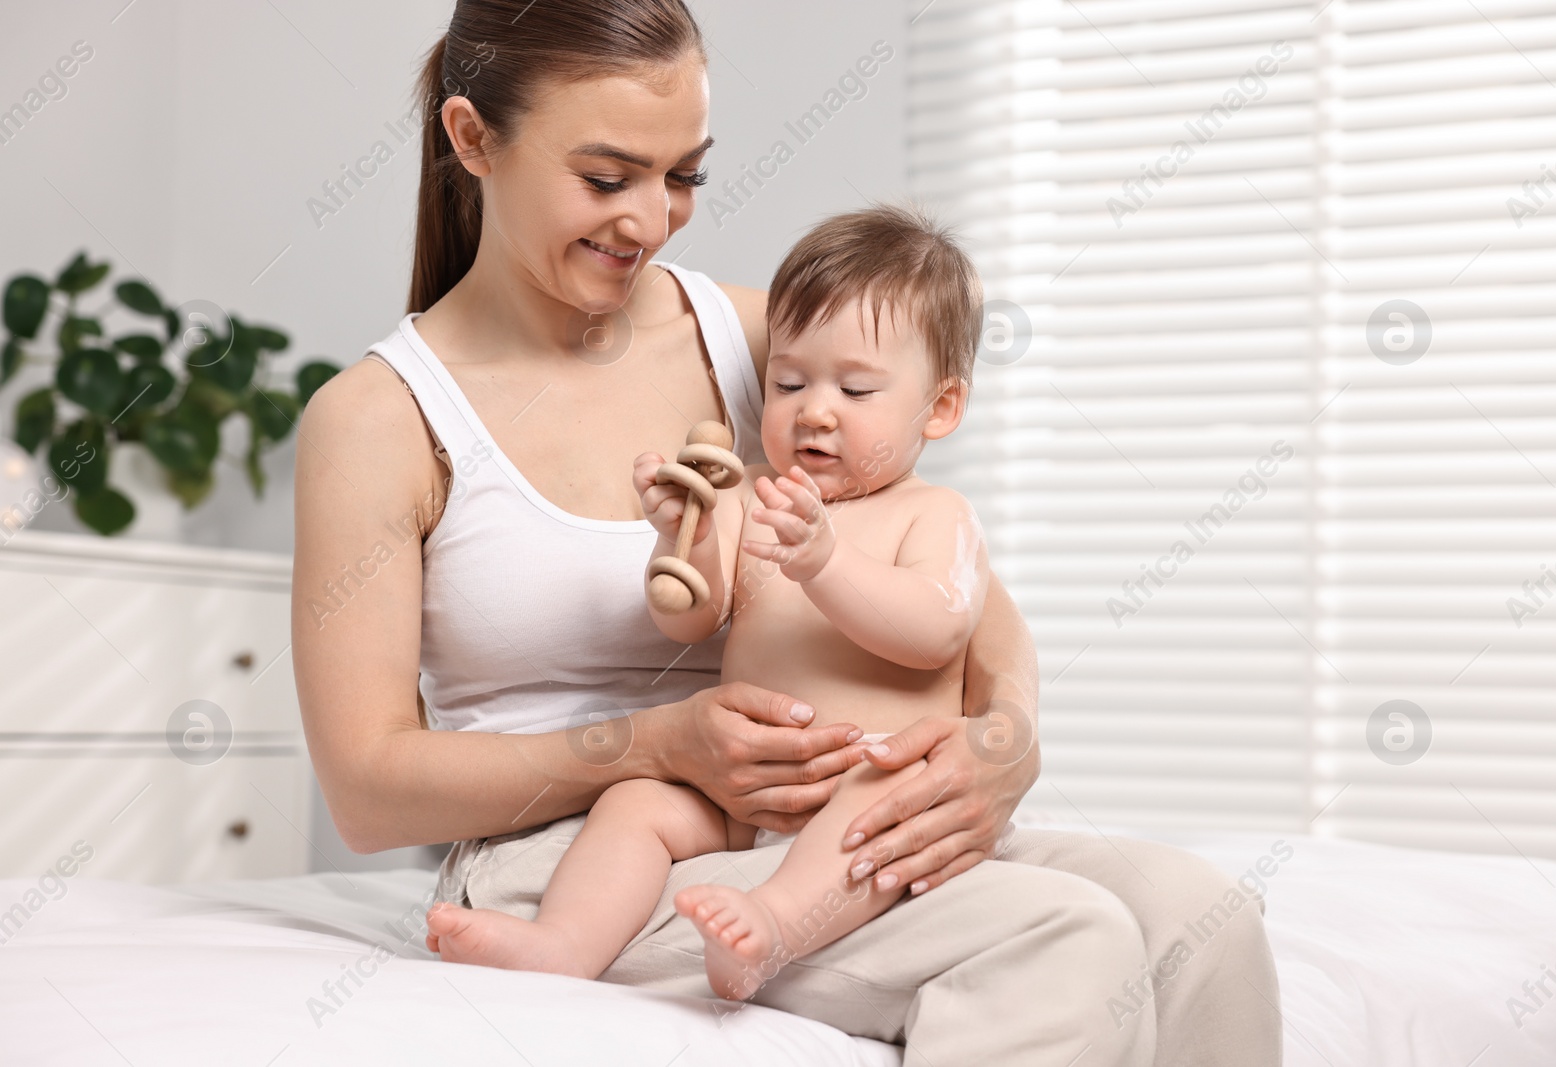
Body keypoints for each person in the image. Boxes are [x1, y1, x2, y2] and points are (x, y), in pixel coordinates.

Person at [291, 1, 1282, 1063]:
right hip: (576, 860)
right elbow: (366, 790)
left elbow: (958, 585)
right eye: (606, 177)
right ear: (472, 137)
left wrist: (1005, 734)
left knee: (1200, 912)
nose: (653, 220)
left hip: (807, 815)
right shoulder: (380, 418)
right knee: (1061, 936)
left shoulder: (765, 342)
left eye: (685, 176)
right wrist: (656, 742)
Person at [425, 204, 996, 1001]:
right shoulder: (758, 495)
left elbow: (935, 629)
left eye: (856, 388)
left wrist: (826, 561)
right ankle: (561, 943)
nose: (815, 409)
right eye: (789, 381)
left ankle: (772, 925)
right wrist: (679, 537)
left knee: (878, 811)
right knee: (635, 802)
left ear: (939, 408)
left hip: (861, 769)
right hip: (744, 794)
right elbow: (690, 615)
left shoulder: (933, 514)